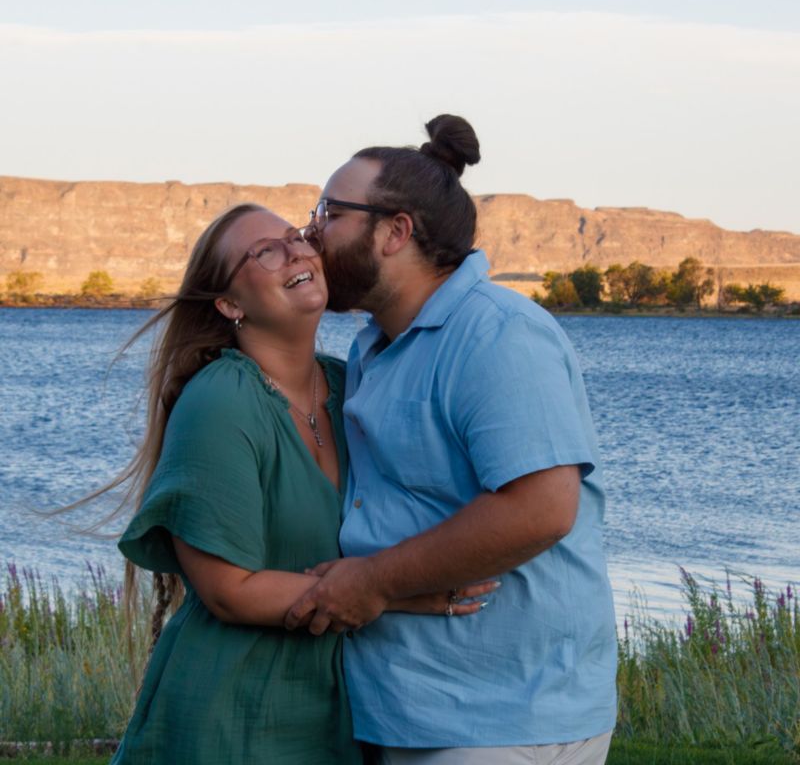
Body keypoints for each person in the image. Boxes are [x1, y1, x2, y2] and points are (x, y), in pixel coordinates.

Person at [103, 203, 493, 765]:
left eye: (295, 236)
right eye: (264, 251)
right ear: (230, 304)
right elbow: (227, 589)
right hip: (231, 712)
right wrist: (400, 592)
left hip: (339, 707)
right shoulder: (220, 400)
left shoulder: (352, 385)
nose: (294, 252)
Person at [285, 115, 618, 764]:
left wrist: (373, 582)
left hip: (504, 718)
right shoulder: (374, 346)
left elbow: (542, 508)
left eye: (329, 213)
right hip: (410, 709)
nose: (309, 232)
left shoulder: (497, 333)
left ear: (396, 232)